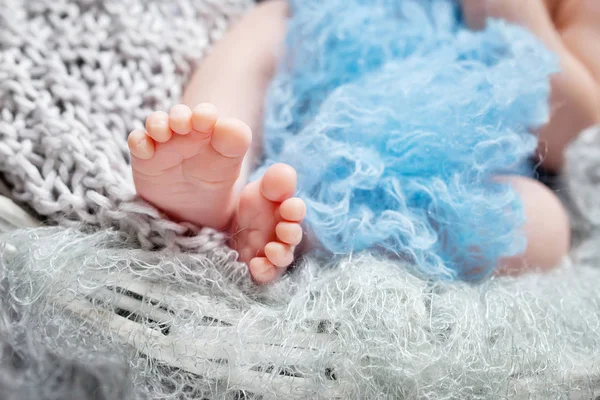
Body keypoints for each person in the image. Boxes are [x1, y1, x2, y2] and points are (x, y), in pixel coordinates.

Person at [127, 0, 600, 284]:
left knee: (543, 225)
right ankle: (208, 165)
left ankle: (302, 227)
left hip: (448, 173)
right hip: (324, 64)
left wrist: (509, 13)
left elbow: (575, 134)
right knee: (269, 28)